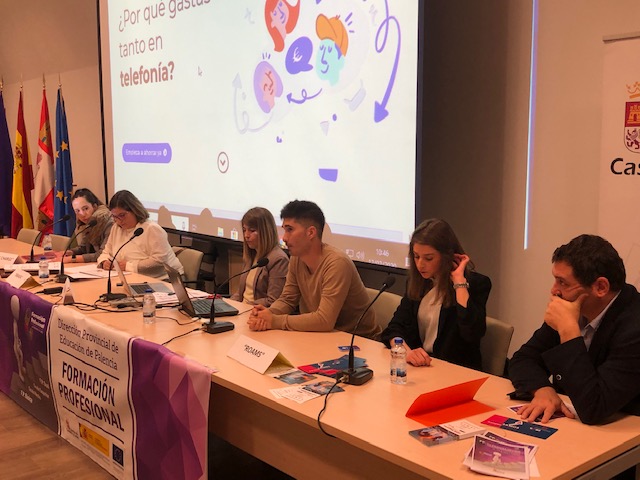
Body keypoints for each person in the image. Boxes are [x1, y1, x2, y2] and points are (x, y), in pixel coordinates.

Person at [509, 234, 640, 425]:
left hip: (623, 432)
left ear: (601, 287)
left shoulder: (634, 328)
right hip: (572, 424)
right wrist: (543, 389)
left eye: (563, 282)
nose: (554, 290)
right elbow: (523, 358)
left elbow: (594, 408)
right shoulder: (574, 307)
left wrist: (569, 332)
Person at [247, 200, 379, 339]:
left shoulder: (337, 263)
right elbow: (287, 300)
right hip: (322, 336)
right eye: (284, 230)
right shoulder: (297, 258)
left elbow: (324, 320)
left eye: (290, 230)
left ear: (311, 232)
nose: (284, 238)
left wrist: (274, 321)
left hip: (358, 340)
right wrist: (267, 313)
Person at [380, 219, 491, 370]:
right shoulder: (418, 282)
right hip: (421, 367)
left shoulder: (477, 284)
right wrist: (406, 352)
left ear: (446, 256)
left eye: (428, 258)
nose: (420, 264)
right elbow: (394, 328)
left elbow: (472, 333)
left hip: (455, 370)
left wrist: (459, 283)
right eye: (416, 256)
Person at [96, 190, 183, 279]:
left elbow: (159, 260)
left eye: (122, 215)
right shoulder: (116, 228)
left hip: (165, 280)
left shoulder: (152, 229)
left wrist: (129, 266)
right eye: (115, 216)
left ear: (134, 210)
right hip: (131, 278)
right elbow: (106, 252)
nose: (118, 221)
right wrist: (104, 261)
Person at [231, 207, 289, 307]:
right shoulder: (251, 255)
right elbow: (240, 294)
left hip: (256, 312)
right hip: (242, 309)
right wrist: (227, 304)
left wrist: (244, 306)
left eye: (252, 230)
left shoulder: (278, 259)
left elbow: (273, 300)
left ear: (266, 232)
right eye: (244, 230)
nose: (246, 235)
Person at [61, 188, 113, 264]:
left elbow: (102, 254)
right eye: (77, 211)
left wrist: (72, 259)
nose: (82, 214)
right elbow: (84, 248)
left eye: (85, 208)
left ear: (94, 206)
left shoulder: (108, 222)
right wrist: (70, 252)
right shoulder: (89, 224)